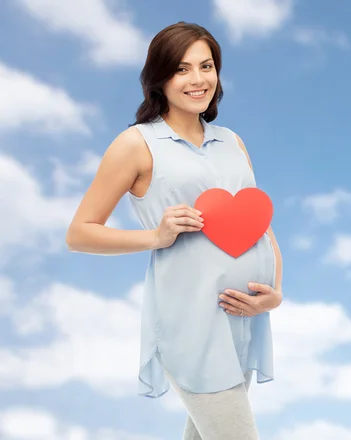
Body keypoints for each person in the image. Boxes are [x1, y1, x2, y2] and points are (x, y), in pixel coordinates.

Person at [65, 21, 283, 440]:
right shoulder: (136, 144)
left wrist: (275, 292)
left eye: (207, 66)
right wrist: (155, 237)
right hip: (192, 327)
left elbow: (261, 225)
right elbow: (79, 233)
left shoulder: (232, 142)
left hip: (243, 322)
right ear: (159, 78)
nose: (198, 79)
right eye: (183, 69)